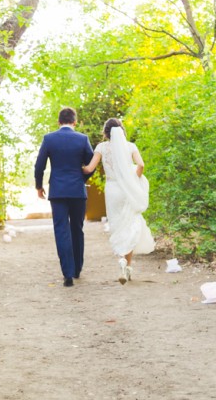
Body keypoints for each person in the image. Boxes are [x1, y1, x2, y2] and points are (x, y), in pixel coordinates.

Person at [83, 118, 154, 284]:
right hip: (126, 189)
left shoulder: (101, 147)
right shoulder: (131, 147)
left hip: (112, 190)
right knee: (128, 224)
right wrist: (132, 180)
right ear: (122, 130)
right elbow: (141, 165)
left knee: (117, 225)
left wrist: (76, 167)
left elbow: (89, 168)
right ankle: (127, 264)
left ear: (106, 132)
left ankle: (124, 263)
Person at [35, 107, 95, 287]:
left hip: (58, 192)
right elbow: (91, 164)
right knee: (77, 228)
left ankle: (67, 274)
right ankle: (77, 269)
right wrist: (81, 178)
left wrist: (39, 186)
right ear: (75, 122)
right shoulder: (82, 139)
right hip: (77, 191)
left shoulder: (49, 139)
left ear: (58, 122)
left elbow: (39, 165)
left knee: (61, 230)